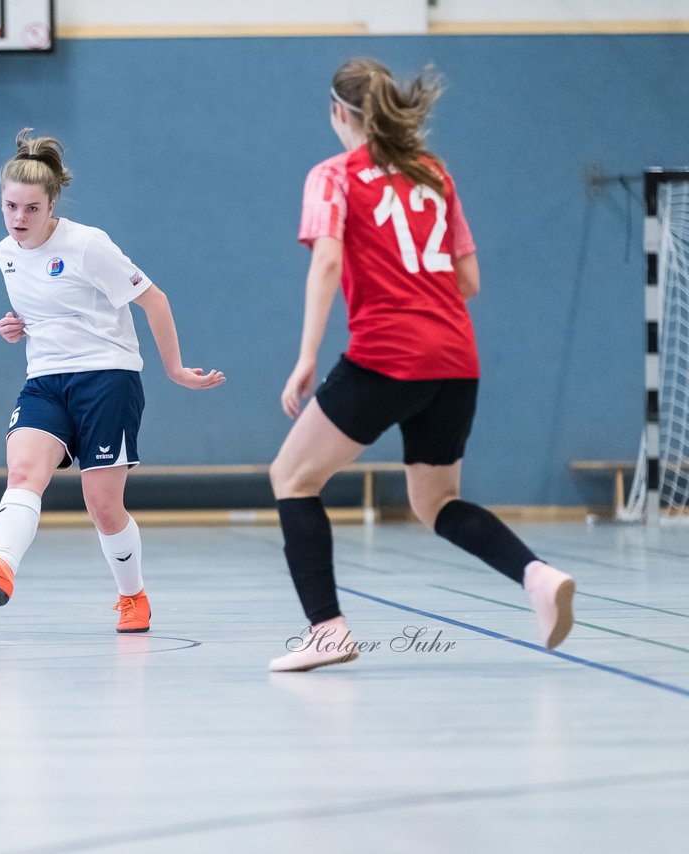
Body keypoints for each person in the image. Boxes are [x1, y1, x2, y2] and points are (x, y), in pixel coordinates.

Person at [267, 59, 576, 671]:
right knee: (436, 502)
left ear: (338, 113)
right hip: (456, 360)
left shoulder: (334, 177)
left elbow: (327, 262)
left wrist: (306, 357)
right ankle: (537, 576)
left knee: (292, 477)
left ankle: (327, 630)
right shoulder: (432, 173)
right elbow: (469, 279)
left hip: (386, 355)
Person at [0, 128, 224, 633]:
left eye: (31, 208)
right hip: (45, 381)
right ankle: (0, 566)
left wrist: (175, 369)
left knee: (103, 505)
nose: (20, 219)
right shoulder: (5, 252)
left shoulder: (89, 245)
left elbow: (154, 300)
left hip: (106, 379)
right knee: (24, 475)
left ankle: (133, 596)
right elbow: (45, 310)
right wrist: (15, 325)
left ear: (52, 205)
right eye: (11, 207)